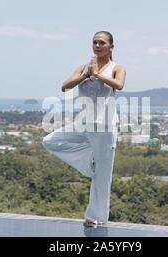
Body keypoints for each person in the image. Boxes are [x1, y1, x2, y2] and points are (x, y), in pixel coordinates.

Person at [42, 31, 126, 227]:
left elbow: (119, 85)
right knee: (50, 141)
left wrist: (98, 74)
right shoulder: (83, 68)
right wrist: (87, 74)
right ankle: (91, 164)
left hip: (105, 127)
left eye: (102, 43)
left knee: (102, 180)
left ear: (111, 46)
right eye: (95, 42)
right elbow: (65, 86)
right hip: (83, 123)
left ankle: (95, 217)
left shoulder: (117, 68)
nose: (97, 45)